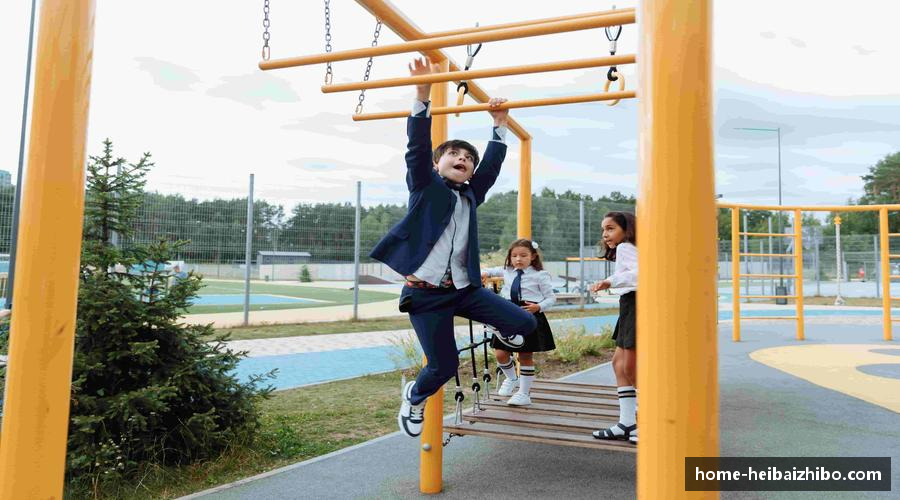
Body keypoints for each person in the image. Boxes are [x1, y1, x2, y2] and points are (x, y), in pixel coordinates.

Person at [369, 57, 537, 438]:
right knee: (443, 366)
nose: (463, 159)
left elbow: (490, 170)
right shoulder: (425, 188)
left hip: (464, 289)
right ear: (436, 164)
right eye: (455, 155)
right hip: (426, 295)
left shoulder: (472, 195)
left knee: (524, 324)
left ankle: (501, 328)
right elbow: (416, 148)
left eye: (468, 159)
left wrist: (499, 125)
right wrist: (422, 93)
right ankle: (414, 396)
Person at [482, 238, 556, 406]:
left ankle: (524, 393)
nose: (518, 259)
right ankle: (512, 378)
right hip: (508, 313)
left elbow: (551, 298)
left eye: (523, 255)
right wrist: (483, 273)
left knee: (525, 355)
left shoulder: (540, 275)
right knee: (500, 353)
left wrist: (539, 307)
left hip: (529, 313)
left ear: (533, 256)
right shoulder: (507, 270)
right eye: (514, 255)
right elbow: (488, 271)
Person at [590, 211, 638, 444]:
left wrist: (610, 281)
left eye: (610, 228)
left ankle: (650, 420)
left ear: (626, 229)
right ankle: (627, 422)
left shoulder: (626, 247)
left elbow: (641, 272)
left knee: (630, 366)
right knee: (619, 364)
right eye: (603, 229)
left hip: (637, 303)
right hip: (629, 303)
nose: (605, 234)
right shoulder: (627, 248)